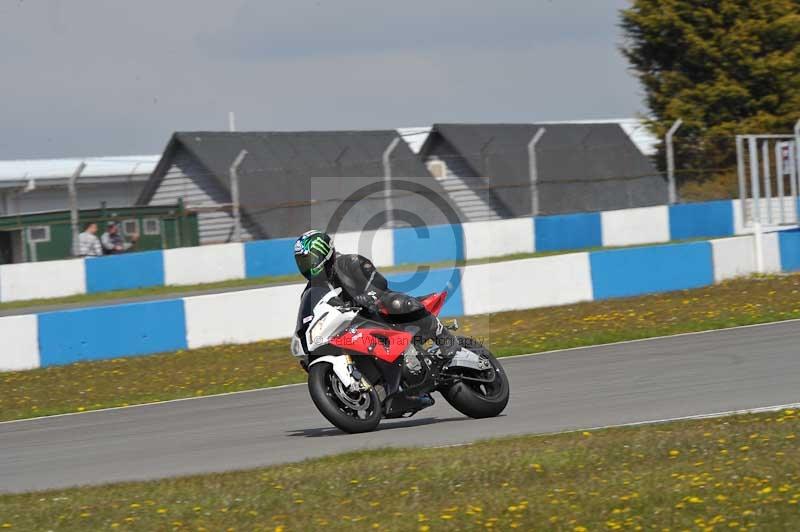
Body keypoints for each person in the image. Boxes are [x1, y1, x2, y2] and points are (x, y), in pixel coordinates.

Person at [293, 229, 458, 359]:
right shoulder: (312, 290)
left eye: (310, 260)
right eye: (302, 263)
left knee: (396, 302)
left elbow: (377, 280)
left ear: (324, 253)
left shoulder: (349, 262)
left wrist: (368, 295)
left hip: (379, 311)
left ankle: (444, 337)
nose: (307, 267)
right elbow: (310, 316)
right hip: (352, 327)